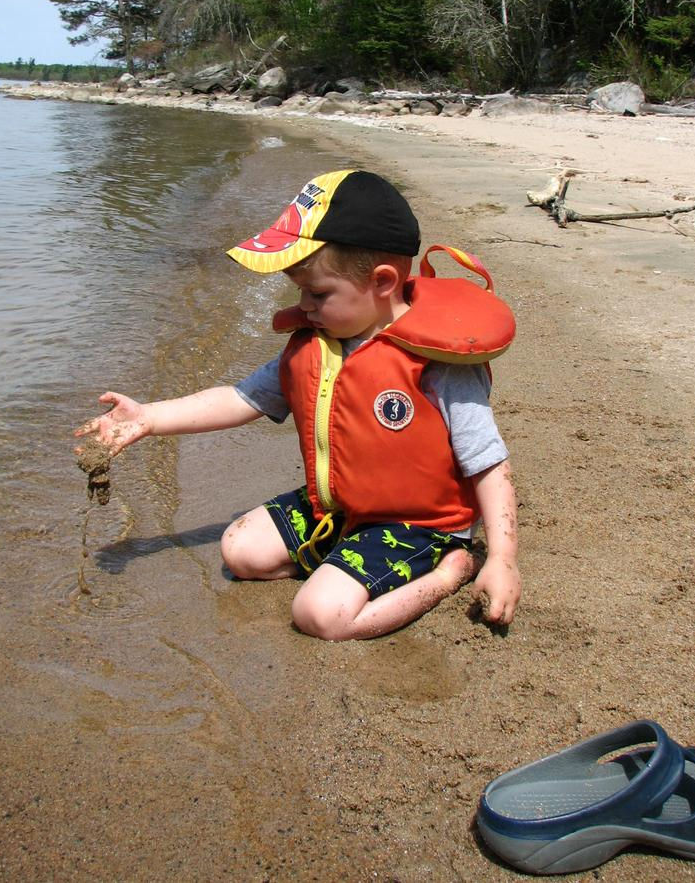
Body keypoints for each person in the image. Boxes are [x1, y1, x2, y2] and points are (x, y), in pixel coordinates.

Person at [76, 169, 521, 641]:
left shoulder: (439, 362)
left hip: (419, 523)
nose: (304, 305)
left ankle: (448, 572)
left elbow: (488, 462)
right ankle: (350, 561)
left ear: (383, 281)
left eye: (318, 292)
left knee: (319, 616)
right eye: (299, 291)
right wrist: (148, 418)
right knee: (239, 551)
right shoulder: (319, 343)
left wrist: (502, 558)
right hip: (340, 507)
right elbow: (240, 398)